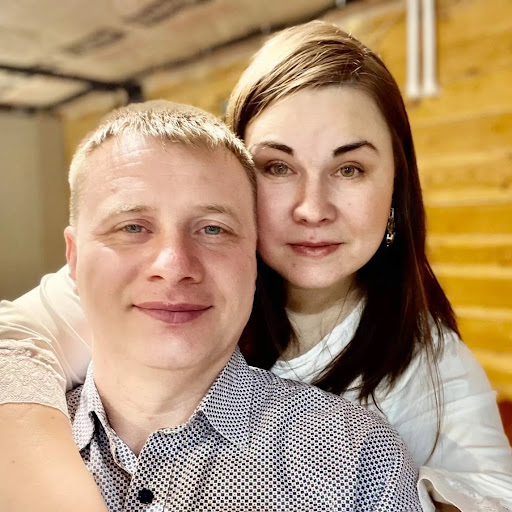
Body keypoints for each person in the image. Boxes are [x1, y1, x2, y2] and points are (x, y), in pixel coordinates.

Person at [0, 20, 510, 511]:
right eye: (278, 167)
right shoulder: (156, 289)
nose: (312, 208)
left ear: (396, 189)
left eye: (350, 168)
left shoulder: (434, 374)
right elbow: (12, 345)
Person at [28, 99, 424, 511]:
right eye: (132, 227)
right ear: (74, 258)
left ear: (253, 258)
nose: (174, 266)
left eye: (213, 229)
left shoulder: (360, 463)